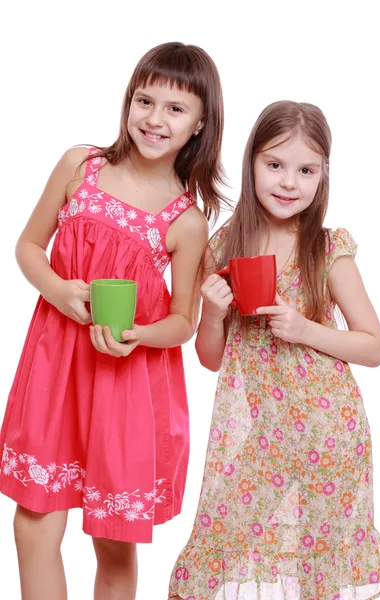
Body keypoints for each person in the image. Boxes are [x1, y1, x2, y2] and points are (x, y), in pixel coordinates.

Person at [0, 41, 226, 600]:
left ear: (200, 124)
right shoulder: (81, 166)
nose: (155, 119)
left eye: (176, 109)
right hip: (56, 369)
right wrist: (57, 289)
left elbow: (183, 322)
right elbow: (29, 245)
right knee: (33, 526)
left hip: (126, 386)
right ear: (128, 102)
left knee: (114, 541)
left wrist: (136, 336)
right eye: (145, 100)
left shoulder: (186, 220)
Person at [169, 101, 380, 600]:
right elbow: (211, 359)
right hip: (260, 437)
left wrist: (305, 328)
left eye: (306, 170)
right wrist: (211, 313)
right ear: (251, 162)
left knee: (319, 574)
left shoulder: (326, 249)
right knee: (208, 555)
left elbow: (374, 346)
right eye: (275, 165)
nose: (289, 182)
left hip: (329, 436)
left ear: (323, 176)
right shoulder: (225, 244)